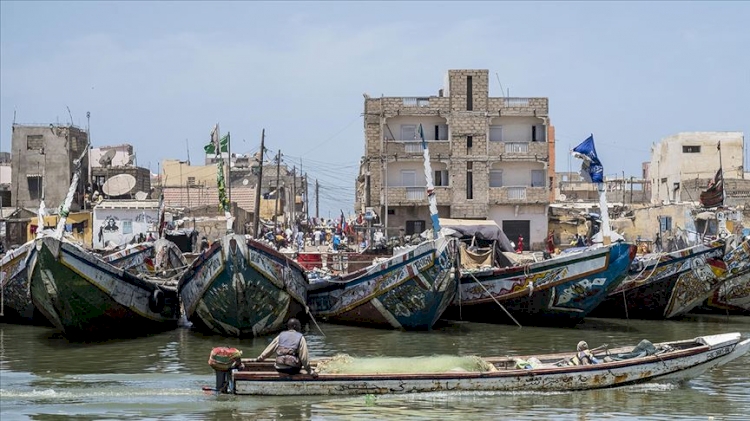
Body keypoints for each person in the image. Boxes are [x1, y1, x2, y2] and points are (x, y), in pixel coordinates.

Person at [252, 318, 316, 376]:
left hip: (279, 368)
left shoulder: (280, 336)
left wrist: (259, 359)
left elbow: (269, 350)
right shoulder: (300, 337)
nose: (300, 328)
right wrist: (310, 371)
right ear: (295, 326)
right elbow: (304, 357)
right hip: (292, 369)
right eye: (299, 325)